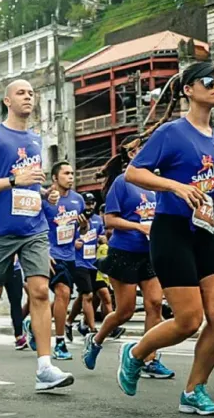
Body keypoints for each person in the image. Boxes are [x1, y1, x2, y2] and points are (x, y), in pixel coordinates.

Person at [118, 62, 214, 415]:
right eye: (210, 81)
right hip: (171, 230)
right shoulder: (171, 132)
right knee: (189, 320)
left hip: (204, 231)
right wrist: (175, 186)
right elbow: (134, 171)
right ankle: (134, 354)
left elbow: (210, 190)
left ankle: (194, 390)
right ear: (188, 90)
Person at [0, 79, 73, 393]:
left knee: (40, 291)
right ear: (8, 101)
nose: (28, 97)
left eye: (31, 93)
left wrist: (43, 193)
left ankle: (44, 367)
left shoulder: (36, 140)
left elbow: (27, 184)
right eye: (21, 93)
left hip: (33, 228)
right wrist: (15, 179)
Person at [82, 136, 174, 379]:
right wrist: (138, 227)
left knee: (155, 303)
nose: (144, 150)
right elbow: (109, 220)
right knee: (125, 311)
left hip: (149, 253)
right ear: (130, 156)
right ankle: (96, 339)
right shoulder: (122, 183)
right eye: (138, 148)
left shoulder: (155, 184)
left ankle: (148, 359)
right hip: (124, 252)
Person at [42, 160, 88, 360]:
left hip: (71, 255)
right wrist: (43, 251)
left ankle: (33, 324)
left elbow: (81, 231)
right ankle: (60, 342)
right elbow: (34, 227)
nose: (71, 177)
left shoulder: (78, 200)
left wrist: (84, 227)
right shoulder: (45, 200)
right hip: (51, 254)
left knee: (64, 297)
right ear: (55, 177)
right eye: (66, 173)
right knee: (64, 292)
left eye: (72, 173)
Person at [66, 192, 107, 338]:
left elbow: (103, 237)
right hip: (78, 262)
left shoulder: (97, 220)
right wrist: (73, 244)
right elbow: (62, 239)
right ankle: (92, 329)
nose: (90, 206)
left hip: (93, 263)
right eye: (87, 203)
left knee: (90, 295)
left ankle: (69, 321)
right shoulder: (74, 220)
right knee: (88, 295)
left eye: (92, 202)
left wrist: (102, 239)